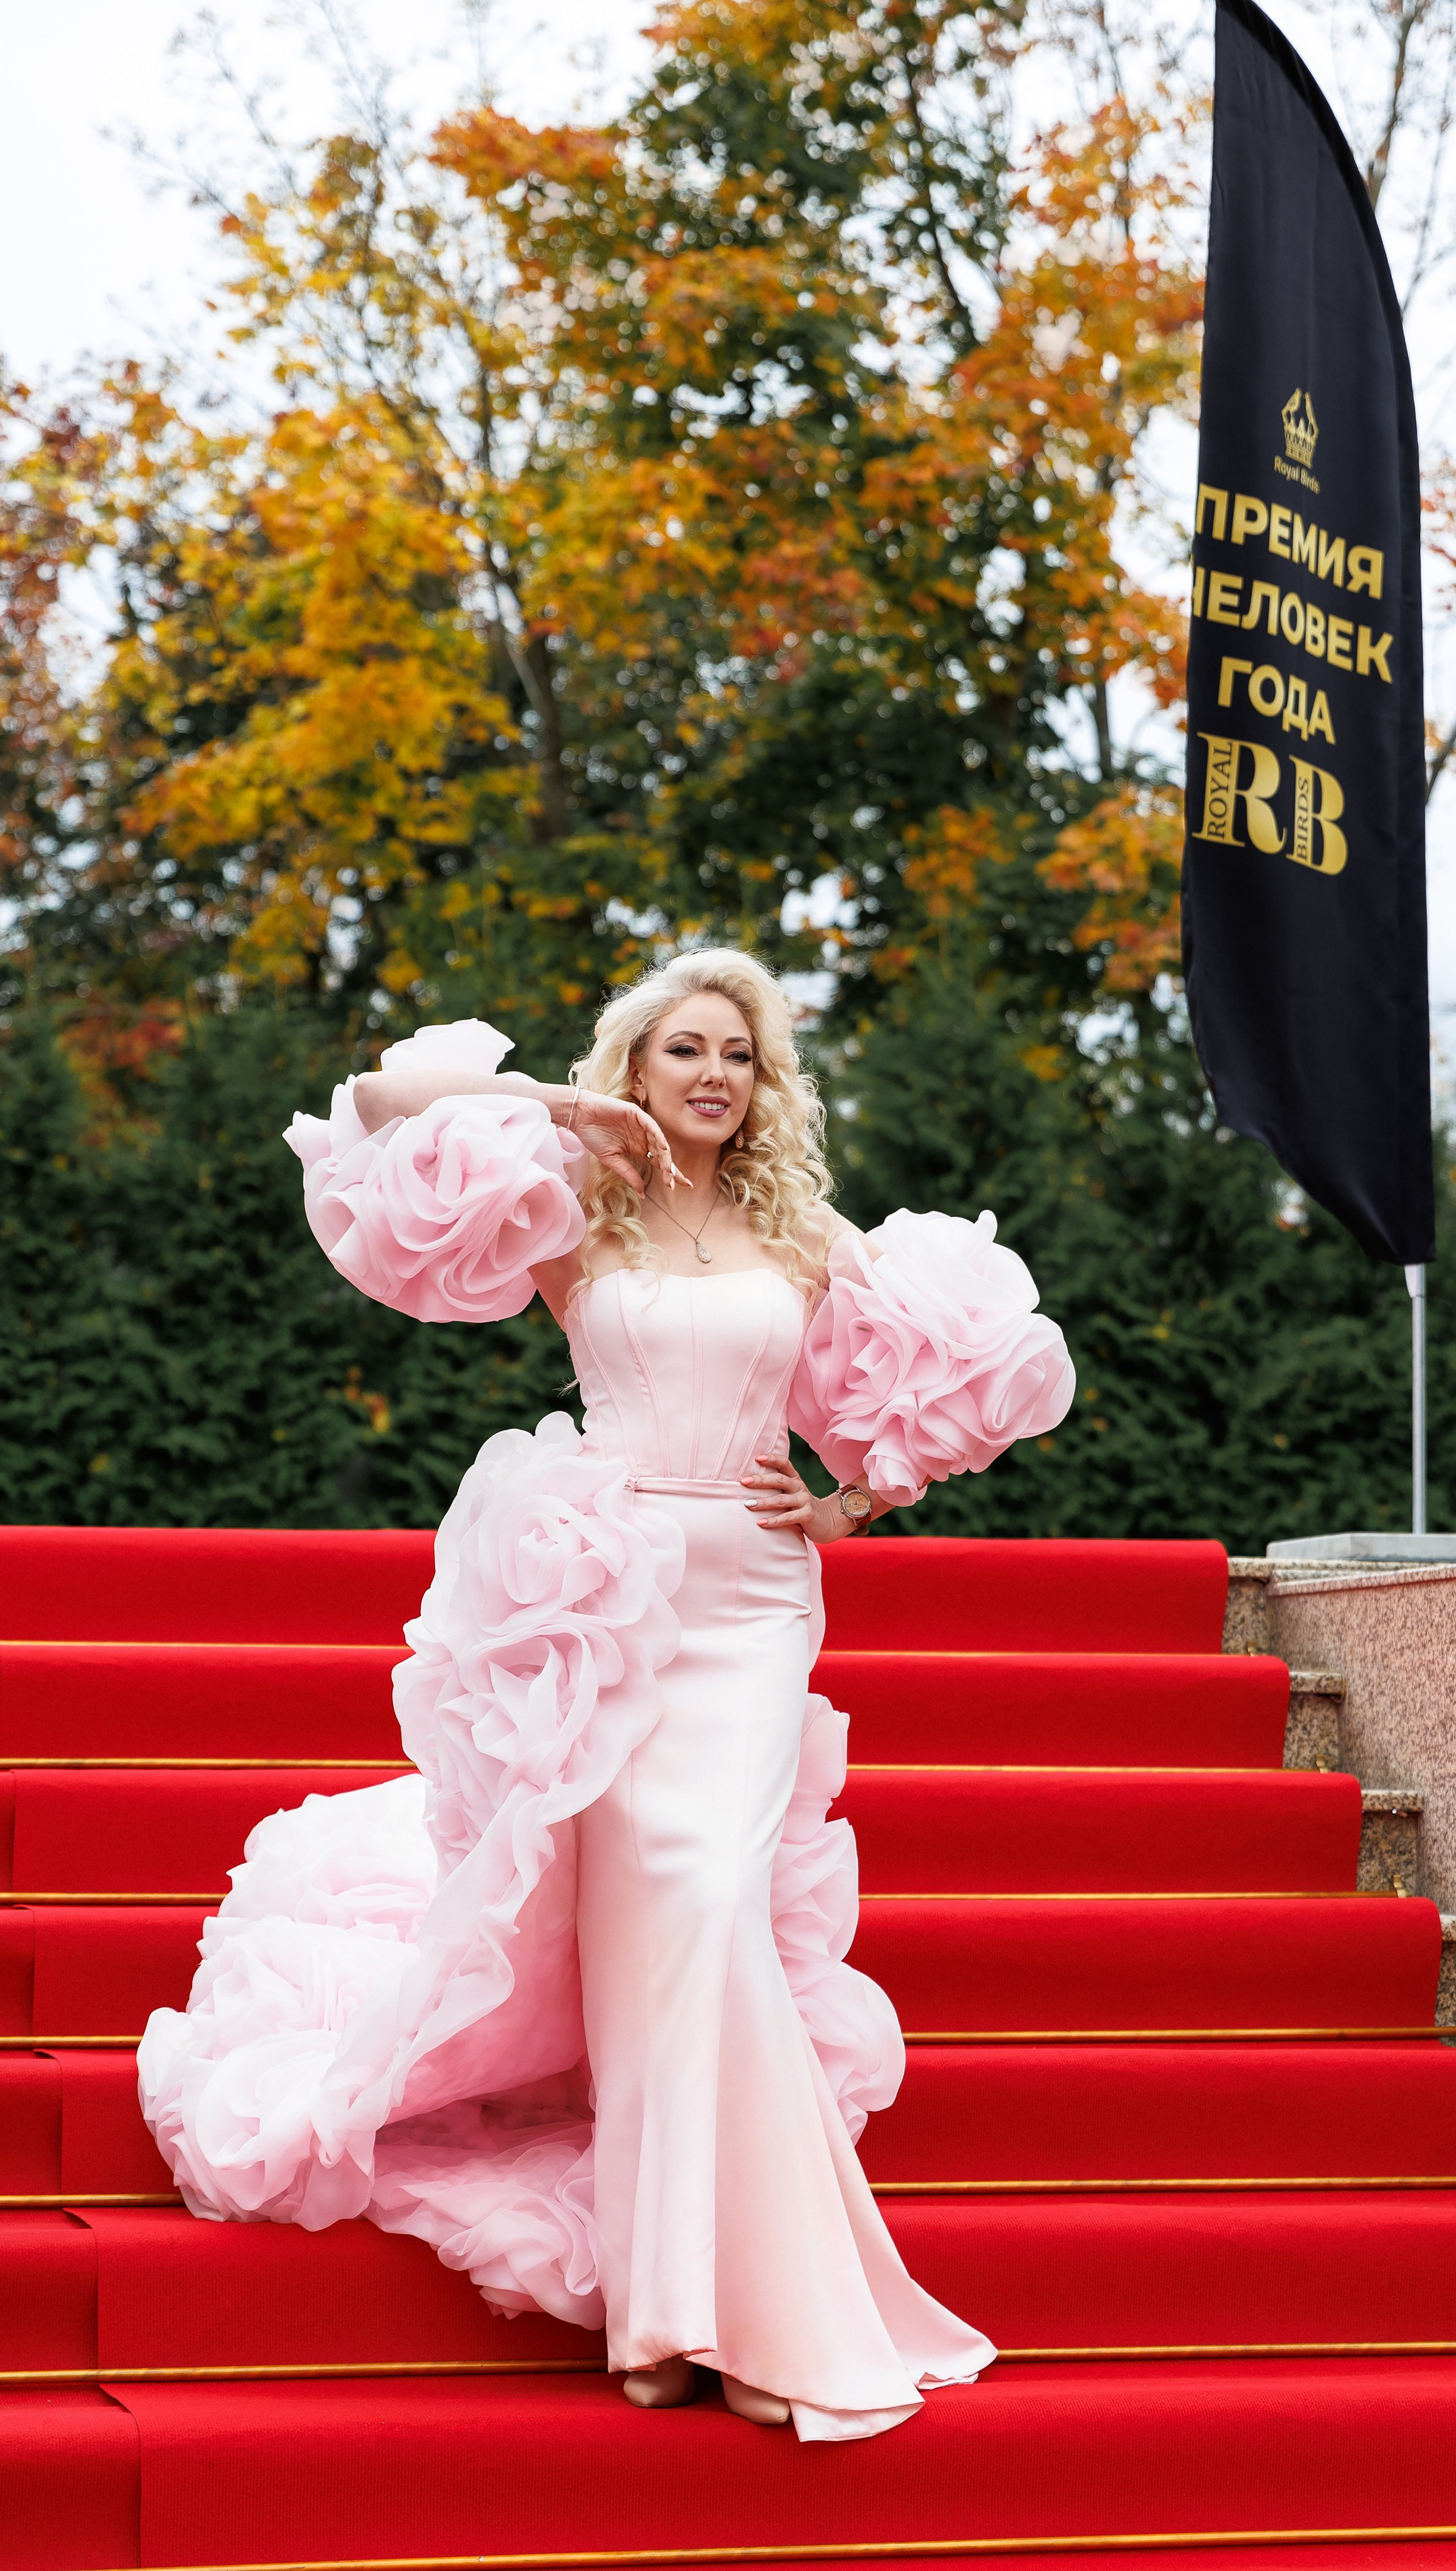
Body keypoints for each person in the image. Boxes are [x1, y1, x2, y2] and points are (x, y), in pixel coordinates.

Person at [139, 948, 1075, 2443]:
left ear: (764, 1085)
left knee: (711, 1901)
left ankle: (739, 2307)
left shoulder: (797, 1228)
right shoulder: (576, 1202)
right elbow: (383, 1099)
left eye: (739, 1056)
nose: (715, 1075)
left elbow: (979, 1365)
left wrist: (853, 1500)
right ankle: (664, 2312)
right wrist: (565, 1108)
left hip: (755, 1605)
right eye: (685, 1049)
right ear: (639, 1064)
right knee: (645, 1940)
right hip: (606, 1598)